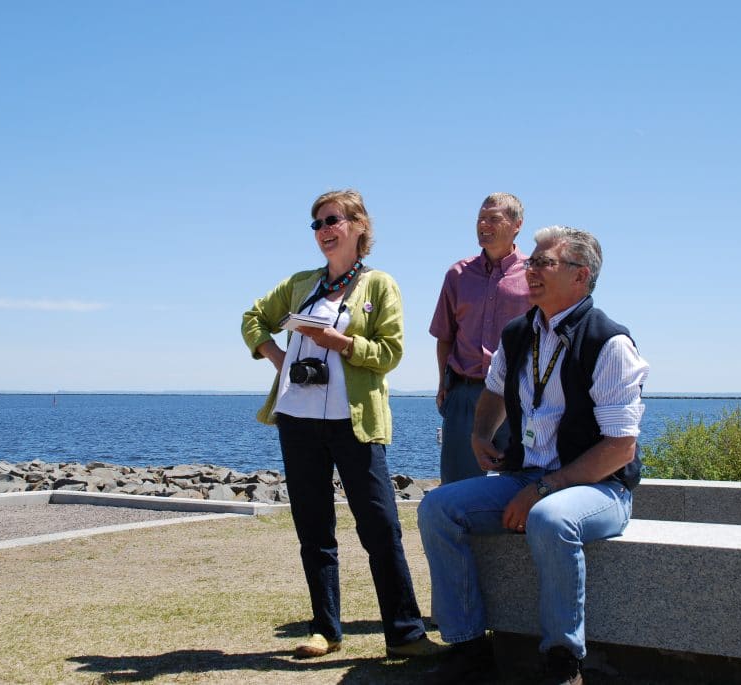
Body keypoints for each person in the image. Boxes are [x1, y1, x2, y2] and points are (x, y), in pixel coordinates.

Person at [418, 226, 650, 685]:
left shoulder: (609, 342)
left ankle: (563, 660)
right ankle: (468, 647)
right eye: (532, 263)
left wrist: (545, 488)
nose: (531, 271)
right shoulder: (518, 333)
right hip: (528, 477)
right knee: (437, 509)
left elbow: (620, 447)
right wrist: (480, 434)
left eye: (544, 263)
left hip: (599, 487)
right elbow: (493, 392)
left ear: (580, 276)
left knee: (551, 519)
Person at [241, 189, 440, 660]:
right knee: (313, 528)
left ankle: (405, 634)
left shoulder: (378, 285)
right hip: (297, 421)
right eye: (317, 224)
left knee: (380, 527)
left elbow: (389, 354)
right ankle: (324, 629)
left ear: (358, 226)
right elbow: (253, 318)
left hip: (355, 425)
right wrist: (278, 356)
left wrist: (339, 342)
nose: (324, 231)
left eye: (332, 221)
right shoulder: (300, 284)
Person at [429, 192, 531, 484]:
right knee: (457, 490)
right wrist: (443, 384)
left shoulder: (535, 274)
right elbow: (445, 335)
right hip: (465, 394)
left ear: (517, 224)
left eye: (493, 218)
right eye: (480, 219)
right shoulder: (458, 274)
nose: (483, 224)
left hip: (518, 396)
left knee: (519, 488)